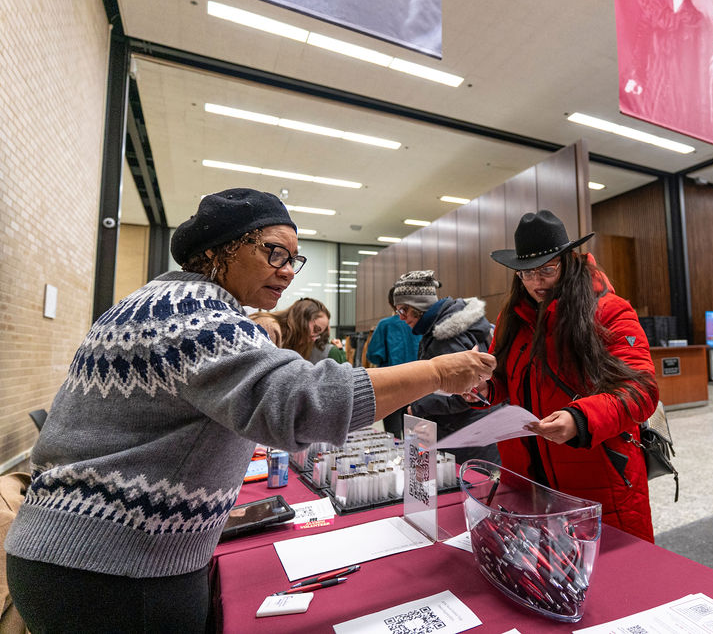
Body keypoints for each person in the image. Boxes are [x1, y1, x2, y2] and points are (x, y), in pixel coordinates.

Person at [3, 188, 494, 632]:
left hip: (91, 554)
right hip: (115, 569)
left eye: (294, 260)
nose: (286, 269)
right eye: (273, 252)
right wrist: (437, 373)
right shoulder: (195, 312)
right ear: (218, 250)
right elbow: (301, 404)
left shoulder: (160, 301)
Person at [474, 210, 659, 542]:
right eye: (526, 274)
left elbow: (641, 388)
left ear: (569, 261)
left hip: (597, 478)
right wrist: (481, 389)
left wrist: (581, 419)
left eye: (547, 270)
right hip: (527, 484)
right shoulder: (512, 317)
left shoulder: (609, 311)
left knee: (618, 586)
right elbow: (504, 381)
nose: (536, 283)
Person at [393, 270, 499, 464]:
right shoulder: (447, 326)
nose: (401, 317)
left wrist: (417, 407)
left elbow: (466, 392)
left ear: (419, 306)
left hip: (466, 436)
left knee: (470, 490)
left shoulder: (447, 336)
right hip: (476, 431)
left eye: (403, 310)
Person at [620, 0, 713, 142]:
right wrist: (637, 75)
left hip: (679, 106)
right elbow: (641, 39)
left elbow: (697, 74)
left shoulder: (697, 22)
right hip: (648, 95)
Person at [366, 285, 421, 439]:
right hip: (419, 385)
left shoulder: (385, 325)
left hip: (391, 386)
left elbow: (374, 355)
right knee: (414, 437)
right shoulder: (420, 323)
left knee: (393, 436)